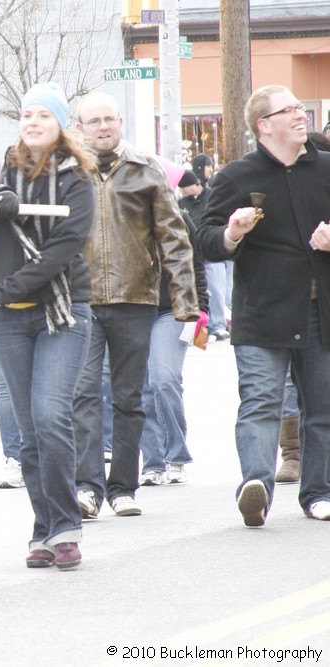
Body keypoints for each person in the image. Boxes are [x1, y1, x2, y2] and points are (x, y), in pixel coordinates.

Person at [0, 82, 95, 569]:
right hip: (5, 321)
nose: (33, 122)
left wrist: (9, 288)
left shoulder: (76, 178)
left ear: (61, 124)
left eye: (44, 115)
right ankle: (43, 529)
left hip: (60, 311)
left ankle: (66, 525)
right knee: (27, 434)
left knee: (50, 417)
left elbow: (64, 248)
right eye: (27, 114)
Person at [197, 85, 330, 526]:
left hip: (319, 312)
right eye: (288, 109)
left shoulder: (326, 168)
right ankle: (255, 486)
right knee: (260, 401)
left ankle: (318, 493)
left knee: (322, 406)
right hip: (262, 312)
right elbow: (205, 238)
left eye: (300, 107)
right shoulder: (236, 177)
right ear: (264, 125)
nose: (299, 115)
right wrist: (232, 233)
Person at [71, 92, 199, 519]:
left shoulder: (146, 170)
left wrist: (186, 303)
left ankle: (123, 488)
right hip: (82, 299)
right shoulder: (69, 172)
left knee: (129, 396)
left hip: (135, 298)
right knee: (85, 395)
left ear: (120, 121)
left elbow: (175, 239)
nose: (103, 127)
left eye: (109, 119)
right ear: (80, 127)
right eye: (94, 121)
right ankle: (87, 487)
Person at [137, 200, 210, 486]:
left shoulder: (179, 217)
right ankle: (153, 462)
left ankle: (177, 456)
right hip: (132, 311)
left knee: (163, 379)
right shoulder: (121, 217)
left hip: (172, 311)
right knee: (140, 389)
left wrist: (202, 306)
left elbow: (196, 265)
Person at [179, 167, 229, 341]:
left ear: (194, 184)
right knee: (199, 289)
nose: (182, 191)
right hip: (194, 251)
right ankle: (203, 328)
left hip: (210, 252)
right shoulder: (182, 203)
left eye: (184, 187)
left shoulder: (212, 196)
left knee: (216, 289)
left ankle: (219, 325)